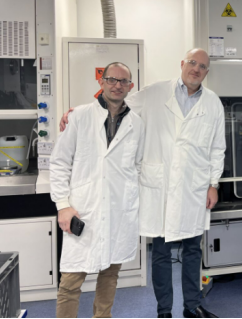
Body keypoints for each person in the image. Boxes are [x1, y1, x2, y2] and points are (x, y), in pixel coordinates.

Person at [60, 49, 225, 319]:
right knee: (161, 252)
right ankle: (164, 311)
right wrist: (76, 112)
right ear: (182, 64)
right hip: (159, 186)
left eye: (203, 66)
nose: (196, 69)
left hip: (194, 187)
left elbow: (218, 147)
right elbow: (116, 101)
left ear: (207, 72)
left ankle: (192, 306)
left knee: (193, 249)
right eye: (192, 63)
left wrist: (213, 183)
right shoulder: (155, 92)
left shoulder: (213, 103)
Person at [51, 62, 145, 318]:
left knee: (110, 274)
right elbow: (59, 162)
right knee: (70, 281)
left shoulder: (136, 123)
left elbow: (136, 166)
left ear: (130, 86)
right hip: (84, 209)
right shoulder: (79, 116)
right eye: (112, 79)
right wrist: (62, 205)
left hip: (118, 210)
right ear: (101, 82)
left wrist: (130, 200)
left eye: (123, 81)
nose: (117, 85)